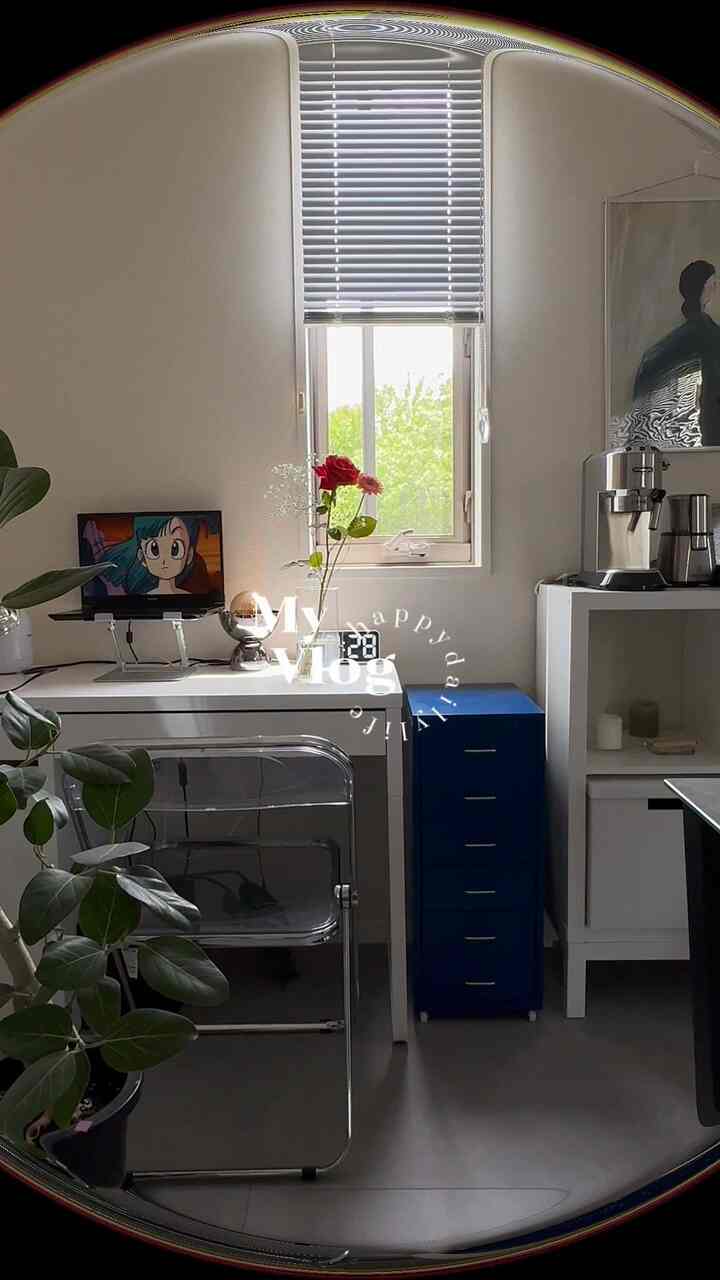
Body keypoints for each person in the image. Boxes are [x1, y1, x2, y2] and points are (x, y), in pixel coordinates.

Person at [633, 260, 720, 445]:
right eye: (713, 283)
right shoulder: (702, 330)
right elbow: (651, 363)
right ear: (703, 289)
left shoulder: (705, 328)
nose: (716, 288)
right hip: (712, 426)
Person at [99, 514, 213, 596]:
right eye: (154, 549)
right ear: (142, 557)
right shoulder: (140, 600)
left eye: (175, 549)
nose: (164, 560)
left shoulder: (190, 599)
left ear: (189, 555)